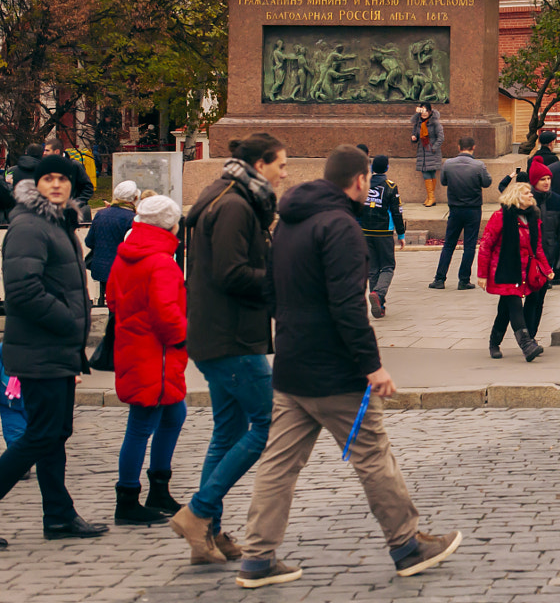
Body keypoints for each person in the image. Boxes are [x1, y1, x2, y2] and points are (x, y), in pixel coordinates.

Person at [238, 145, 460, 586]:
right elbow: (348, 307)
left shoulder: (286, 223)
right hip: (336, 371)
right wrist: (372, 366)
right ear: (359, 181)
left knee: (278, 464)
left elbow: (268, 293)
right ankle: (407, 544)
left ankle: (257, 558)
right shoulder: (340, 227)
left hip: (292, 364)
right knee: (373, 456)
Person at [175, 131, 286, 568]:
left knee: (227, 431)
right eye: (280, 163)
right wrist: (278, 283)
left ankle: (210, 529)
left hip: (218, 333)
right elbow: (231, 273)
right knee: (266, 423)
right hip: (231, 337)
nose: (284, 171)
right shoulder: (236, 205)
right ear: (260, 165)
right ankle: (199, 512)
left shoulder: (224, 194)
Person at [0, 154, 105, 542]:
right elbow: (23, 290)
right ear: (37, 185)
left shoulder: (58, 223)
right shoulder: (29, 225)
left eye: (64, 179)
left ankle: (59, 516)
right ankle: (59, 514)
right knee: (42, 435)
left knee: (55, 433)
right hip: (39, 348)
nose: (58, 185)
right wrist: (68, 321)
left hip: (58, 349)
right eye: (50, 179)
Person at [107, 193, 188, 528]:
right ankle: (128, 497)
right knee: (141, 425)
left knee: (173, 413)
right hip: (156, 354)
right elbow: (167, 314)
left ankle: (158, 488)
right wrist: (184, 336)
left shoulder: (127, 255)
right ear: (169, 224)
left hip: (135, 348)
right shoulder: (161, 261)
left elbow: (112, 298)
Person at [477, 178, 549, 362]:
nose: (531, 195)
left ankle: (494, 343)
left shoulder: (533, 217)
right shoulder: (500, 217)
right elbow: (486, 245)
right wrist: (482, 275)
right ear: (516, 197)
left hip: (524, 270)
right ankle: (527, 345)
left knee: (504, 309)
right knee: (515, 304)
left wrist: (546, 269)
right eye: (526, 193)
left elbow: (537, 247)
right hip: (504, 269)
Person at [430, 136, 491, 290]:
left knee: (449, 244)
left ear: (458, 147)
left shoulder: (448, 164)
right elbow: (487, 182)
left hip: (455, 208)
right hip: (473, 209)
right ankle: (463, 280)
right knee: (469, 245)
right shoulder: (478, 165)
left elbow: (443, 182)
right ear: (473, 147)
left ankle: (439, 279)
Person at [524, 169, 560, 343]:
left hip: (547, 257)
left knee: (538, 298)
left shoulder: (557, 201)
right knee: (522, 299)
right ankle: (515, 334)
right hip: (526, 257)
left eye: (549, 178)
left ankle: (530, 336)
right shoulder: (526, 200)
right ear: (534, 181)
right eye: (542, 179)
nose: (546, 182)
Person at [360, 155, 405, 317]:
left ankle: (379, 306)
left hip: (366, 231)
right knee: (387, 266)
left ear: (372, 168)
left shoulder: (363, 184)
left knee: (373, 269)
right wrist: (401, 233)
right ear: (386, 168)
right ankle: (378, 294)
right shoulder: (390, 186)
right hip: (384, 232)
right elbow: (397, 212)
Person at [85, 180, 139, 307]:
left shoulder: (100, 214)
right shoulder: (131, 218)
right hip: (123, 271)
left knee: (111, 303)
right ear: (134, 198)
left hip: (102, 269)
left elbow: (89, 241)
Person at [412, 103, 444, 208]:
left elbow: (440, 137)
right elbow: (415, 135)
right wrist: (414, 138)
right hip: (422, 151)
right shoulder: (418, 123)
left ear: (430, 111)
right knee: (426, 172)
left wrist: (434, 147)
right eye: (422, 110)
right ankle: (431, 197)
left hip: (432, 151)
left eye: (426, 110)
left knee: (430, 172)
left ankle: (431, 197)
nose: (424, 113)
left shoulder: (435, 123)